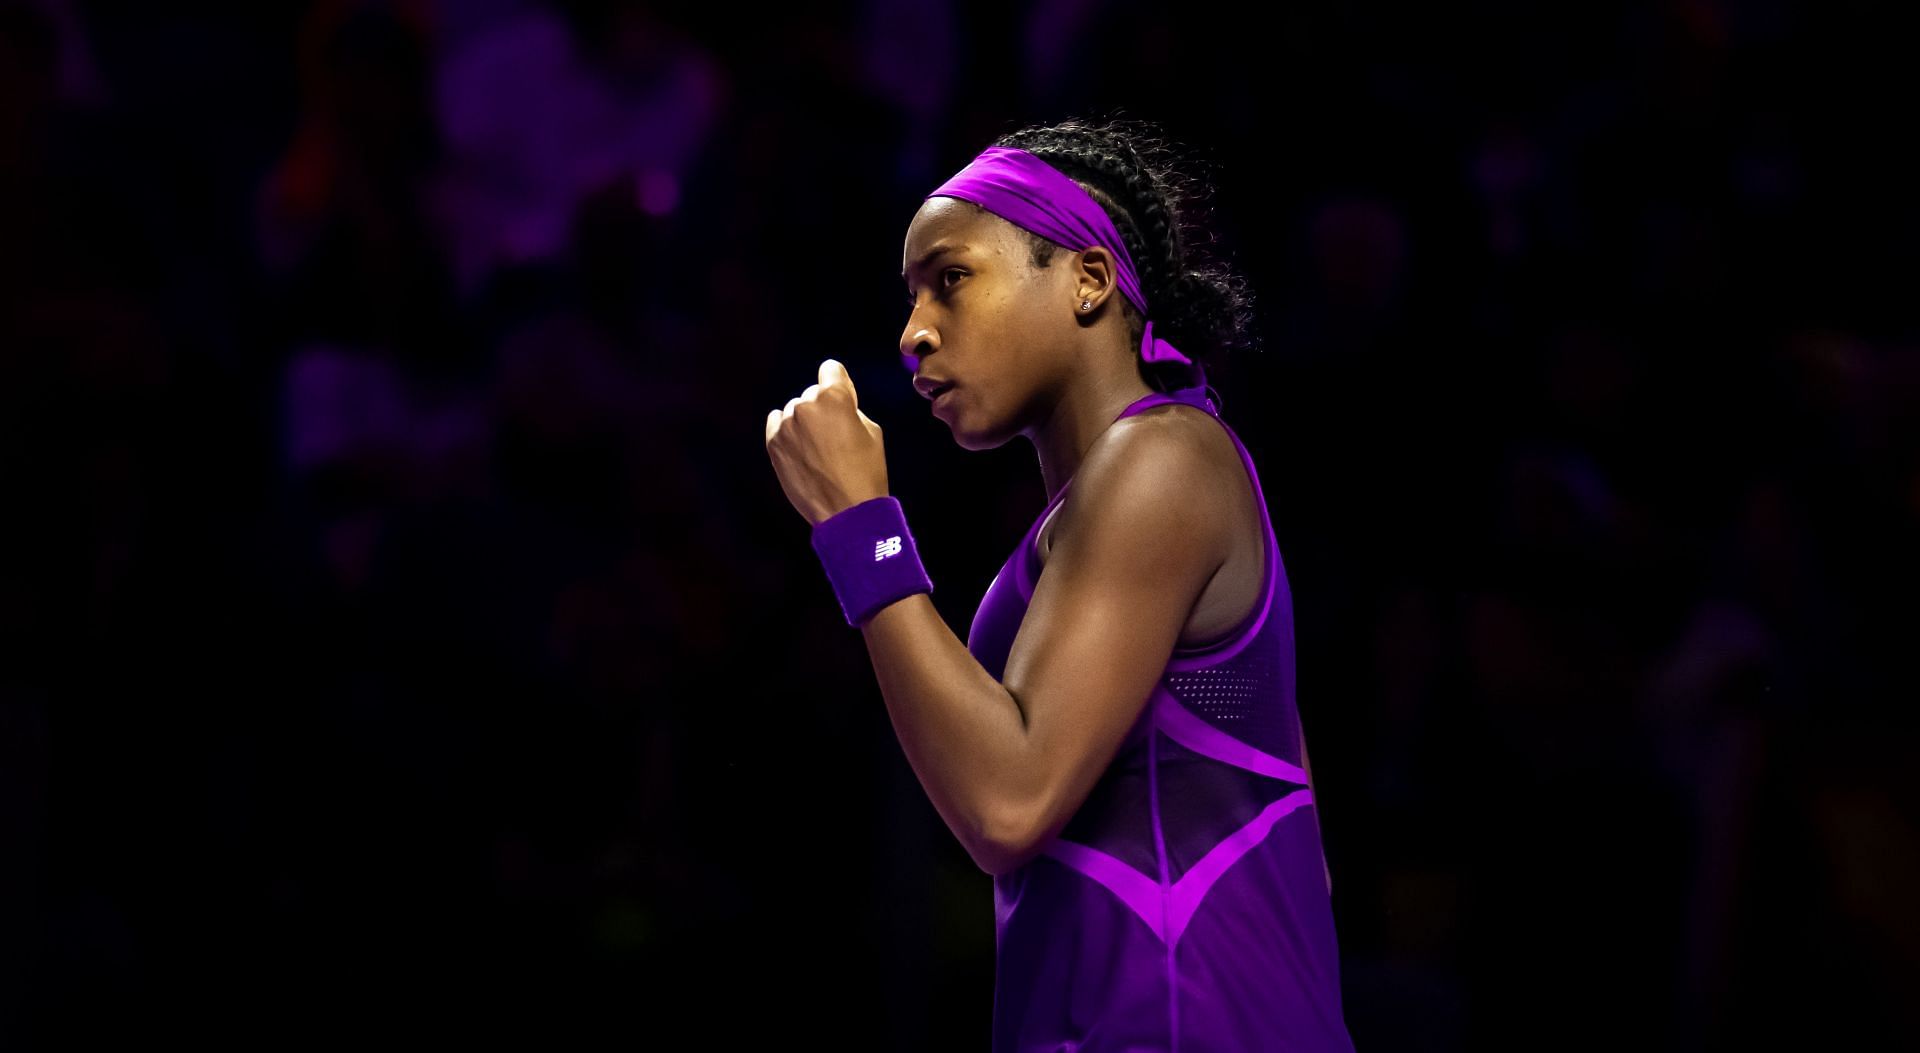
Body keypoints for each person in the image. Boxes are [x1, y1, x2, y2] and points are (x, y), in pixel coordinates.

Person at [765, 116, 1354, 1051]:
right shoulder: (1118, 500)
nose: (914, 332)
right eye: (912, 296)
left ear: (1087, 278)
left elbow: (1006, 803)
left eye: (950, 279)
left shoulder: (1162, 456)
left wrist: (859, 526)